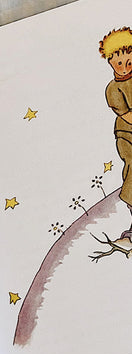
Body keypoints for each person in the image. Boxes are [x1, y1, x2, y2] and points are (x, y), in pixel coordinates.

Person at [100, 27, 132, 239]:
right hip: (127, 135)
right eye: (119, 63)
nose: (124, 67)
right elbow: (128, 116)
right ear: (110, 60)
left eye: (129, 62)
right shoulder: (113, 89)